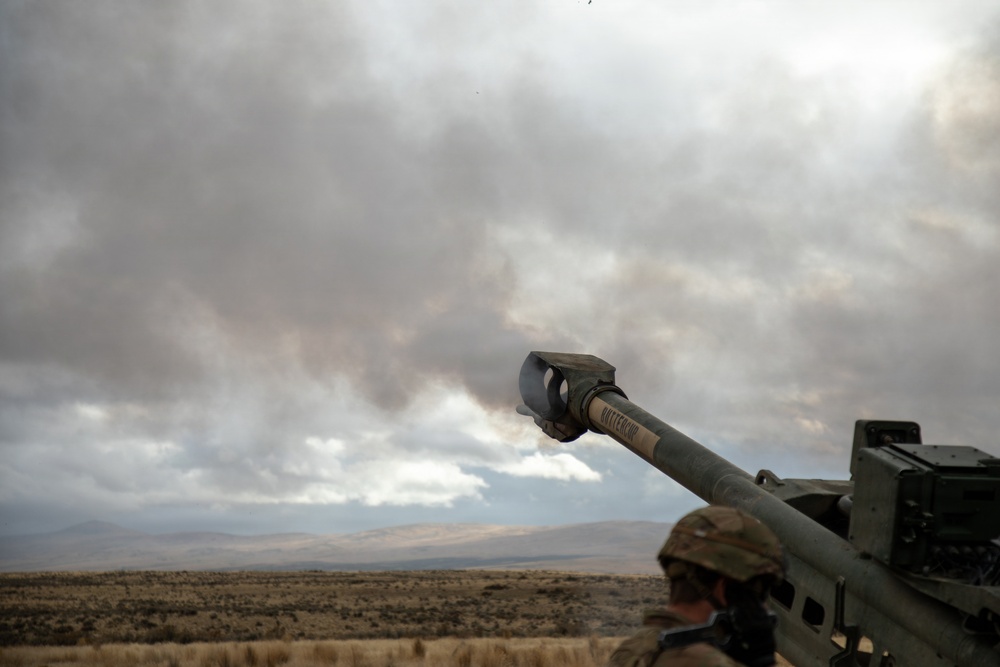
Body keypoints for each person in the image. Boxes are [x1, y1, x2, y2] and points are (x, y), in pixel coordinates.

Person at [606, 505, 785, 667]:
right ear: (725, 589)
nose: (764, 606)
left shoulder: (632, 651)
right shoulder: (708, 662)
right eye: (761, 592)